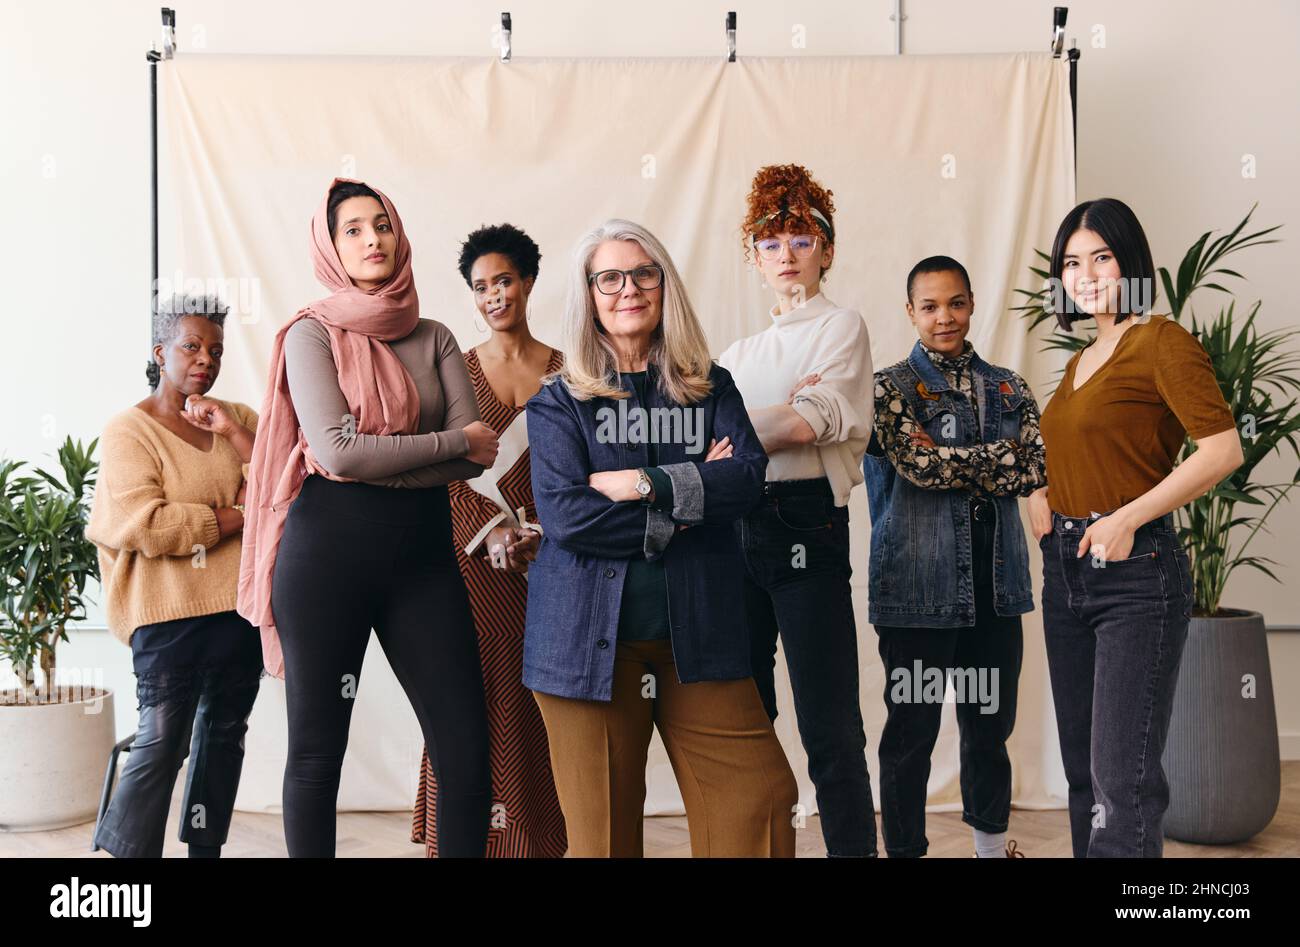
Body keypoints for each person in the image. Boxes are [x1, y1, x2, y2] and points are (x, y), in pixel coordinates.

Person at [237, 178, 499, 857]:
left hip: (423, 560)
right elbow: (339, 453)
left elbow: (480, 456)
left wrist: (393, 457)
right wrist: (440, 447)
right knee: (317, 752)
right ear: (331, 246)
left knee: (467, 747)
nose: (372, 239)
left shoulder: (435, 335)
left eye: (381, 224)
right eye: (352, 229)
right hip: (326, 558)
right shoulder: (309, 334)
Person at [524, 218, 799, 857]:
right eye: (609, 277)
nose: (629, 289)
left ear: (664, 284)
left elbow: (748, 482)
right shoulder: (558, 402)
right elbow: (570, 518)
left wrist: (640, 484)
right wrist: (694, 485)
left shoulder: (711, 385)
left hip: (698, 638)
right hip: (585, 647)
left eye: (644, 273)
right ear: (588, 295)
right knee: (604, 841)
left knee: (759, 799)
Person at [1031, 197, 1244, 857]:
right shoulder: (1079, 360)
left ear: (1131, 263)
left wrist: (1127, 517)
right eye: (1071, 261)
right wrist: (1039, 509)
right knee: (1082, 776)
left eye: (1101, 256)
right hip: (1065, 571)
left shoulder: (1161, 341)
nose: (1085, 273)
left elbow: (1223, 450)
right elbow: (1069, 454)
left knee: (1123, 784)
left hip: (1135, 575)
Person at [717, 164, 878, 857]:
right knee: (747, 713)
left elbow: (809, 426)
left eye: (803, 240)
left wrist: (742, 432)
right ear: (753, 259)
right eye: (771, 243)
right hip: (734, 529)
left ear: (828, 251)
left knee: (829, 720)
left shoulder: (843, 327)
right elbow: (716, 445)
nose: (787, 255)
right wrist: (776, 416)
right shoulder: (735, 355)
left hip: (806, 522)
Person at [863, 256, 1045, 858]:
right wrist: (997, 458)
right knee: (912, 734)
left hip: (998, 591)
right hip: (917, 592)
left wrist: (947, 460)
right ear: (911, 311)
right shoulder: (886, 389)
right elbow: (917, 468)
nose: (945, 317)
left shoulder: (1010, 386)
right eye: (931, 306)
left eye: (956, 303)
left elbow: (1035, 467)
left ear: (972, 303)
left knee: (990, 731)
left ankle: (991, 852)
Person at [87, 293, 262, 858]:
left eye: (214, 349)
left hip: (236, 607)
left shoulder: (240, 419)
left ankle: (204, 852)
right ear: (160, 352)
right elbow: (150, 525)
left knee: (223, 736)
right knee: (163, 742)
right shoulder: (128, 431)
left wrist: (236, 443)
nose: (204, 360)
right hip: (165, 612)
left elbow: (283, 485)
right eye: (191, 346)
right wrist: (236, 513)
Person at [411, 223, 566, 857]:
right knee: (466, 696)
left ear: (528, 282)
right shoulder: (456, 371)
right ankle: (461, 839)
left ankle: (531, 839)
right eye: (480, 288)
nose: (493, 297)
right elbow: (435, 472)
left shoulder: (569, 371)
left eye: (503, 281)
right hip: (468, 565)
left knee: (537, 699)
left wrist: (539, 535)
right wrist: (491, 530)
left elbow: (584, 471)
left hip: (550, 563)